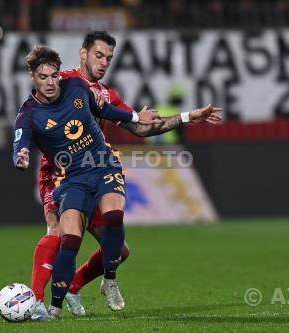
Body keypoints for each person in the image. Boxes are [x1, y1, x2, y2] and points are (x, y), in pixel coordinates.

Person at [30, 31, 223, 319]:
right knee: (58, 232)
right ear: (83, 54)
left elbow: (141, 128)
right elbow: (36, 106)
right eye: (98, 55)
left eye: (109, 57)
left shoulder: (108, 95)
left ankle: (74, 286)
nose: (104, 61)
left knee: (119, 250)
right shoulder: (64, 80)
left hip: (96, 171)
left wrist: (186, 118)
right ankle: (36, 303)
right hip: (60, 171)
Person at [13, 45, 160, 320]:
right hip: (67, 177)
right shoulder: (28, 114)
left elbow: (105, 110)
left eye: (54, 76)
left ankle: (98, 283)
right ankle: (39, 303)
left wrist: (137, 117)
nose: (50, 82)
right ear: (32, 77)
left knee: (118, 235)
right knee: (62, 234)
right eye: (43, 77)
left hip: (101, 166)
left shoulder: (76, 87)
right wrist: (19, 155)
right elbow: (20, 142)